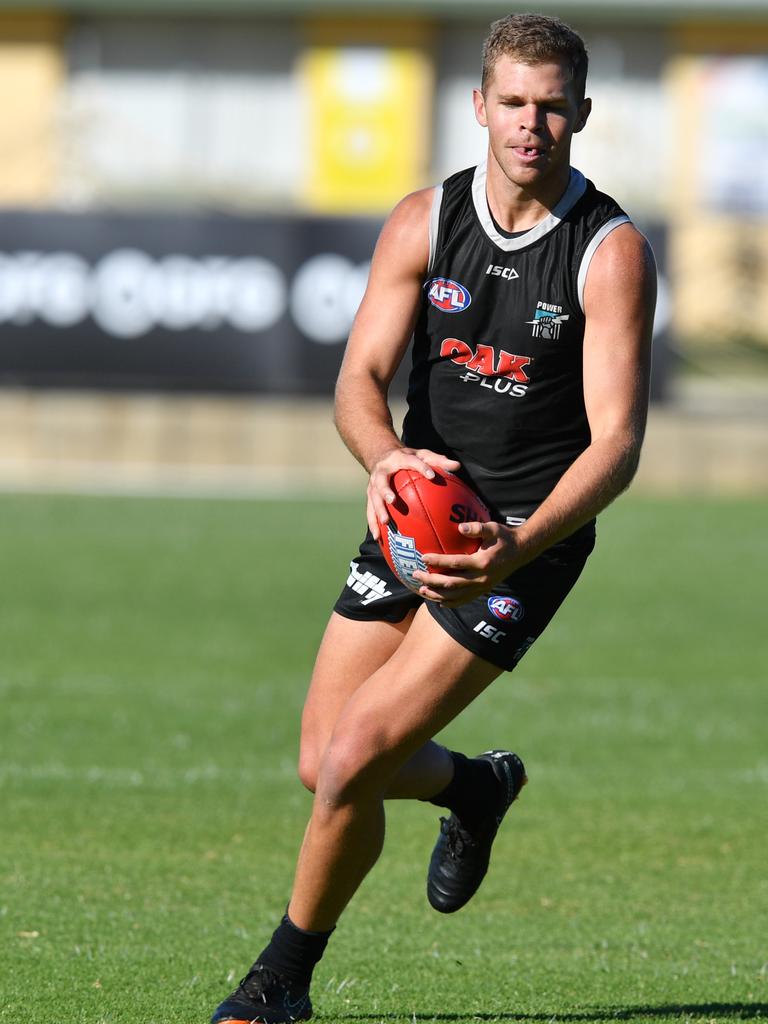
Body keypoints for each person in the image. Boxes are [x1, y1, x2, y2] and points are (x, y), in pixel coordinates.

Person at [210, 12, 656, 1023]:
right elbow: (357, 380)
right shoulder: (424, 219)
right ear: (478, 107)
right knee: (322, 761)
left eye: (551, 106)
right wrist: (383, 458)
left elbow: (617, 445)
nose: (531, 125)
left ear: (581, 113)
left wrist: (513, 548)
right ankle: (473, 787)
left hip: (523, 542)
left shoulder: (608, 251)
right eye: (513, 103)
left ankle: (280, 981)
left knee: (359, 751)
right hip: (415, 519)